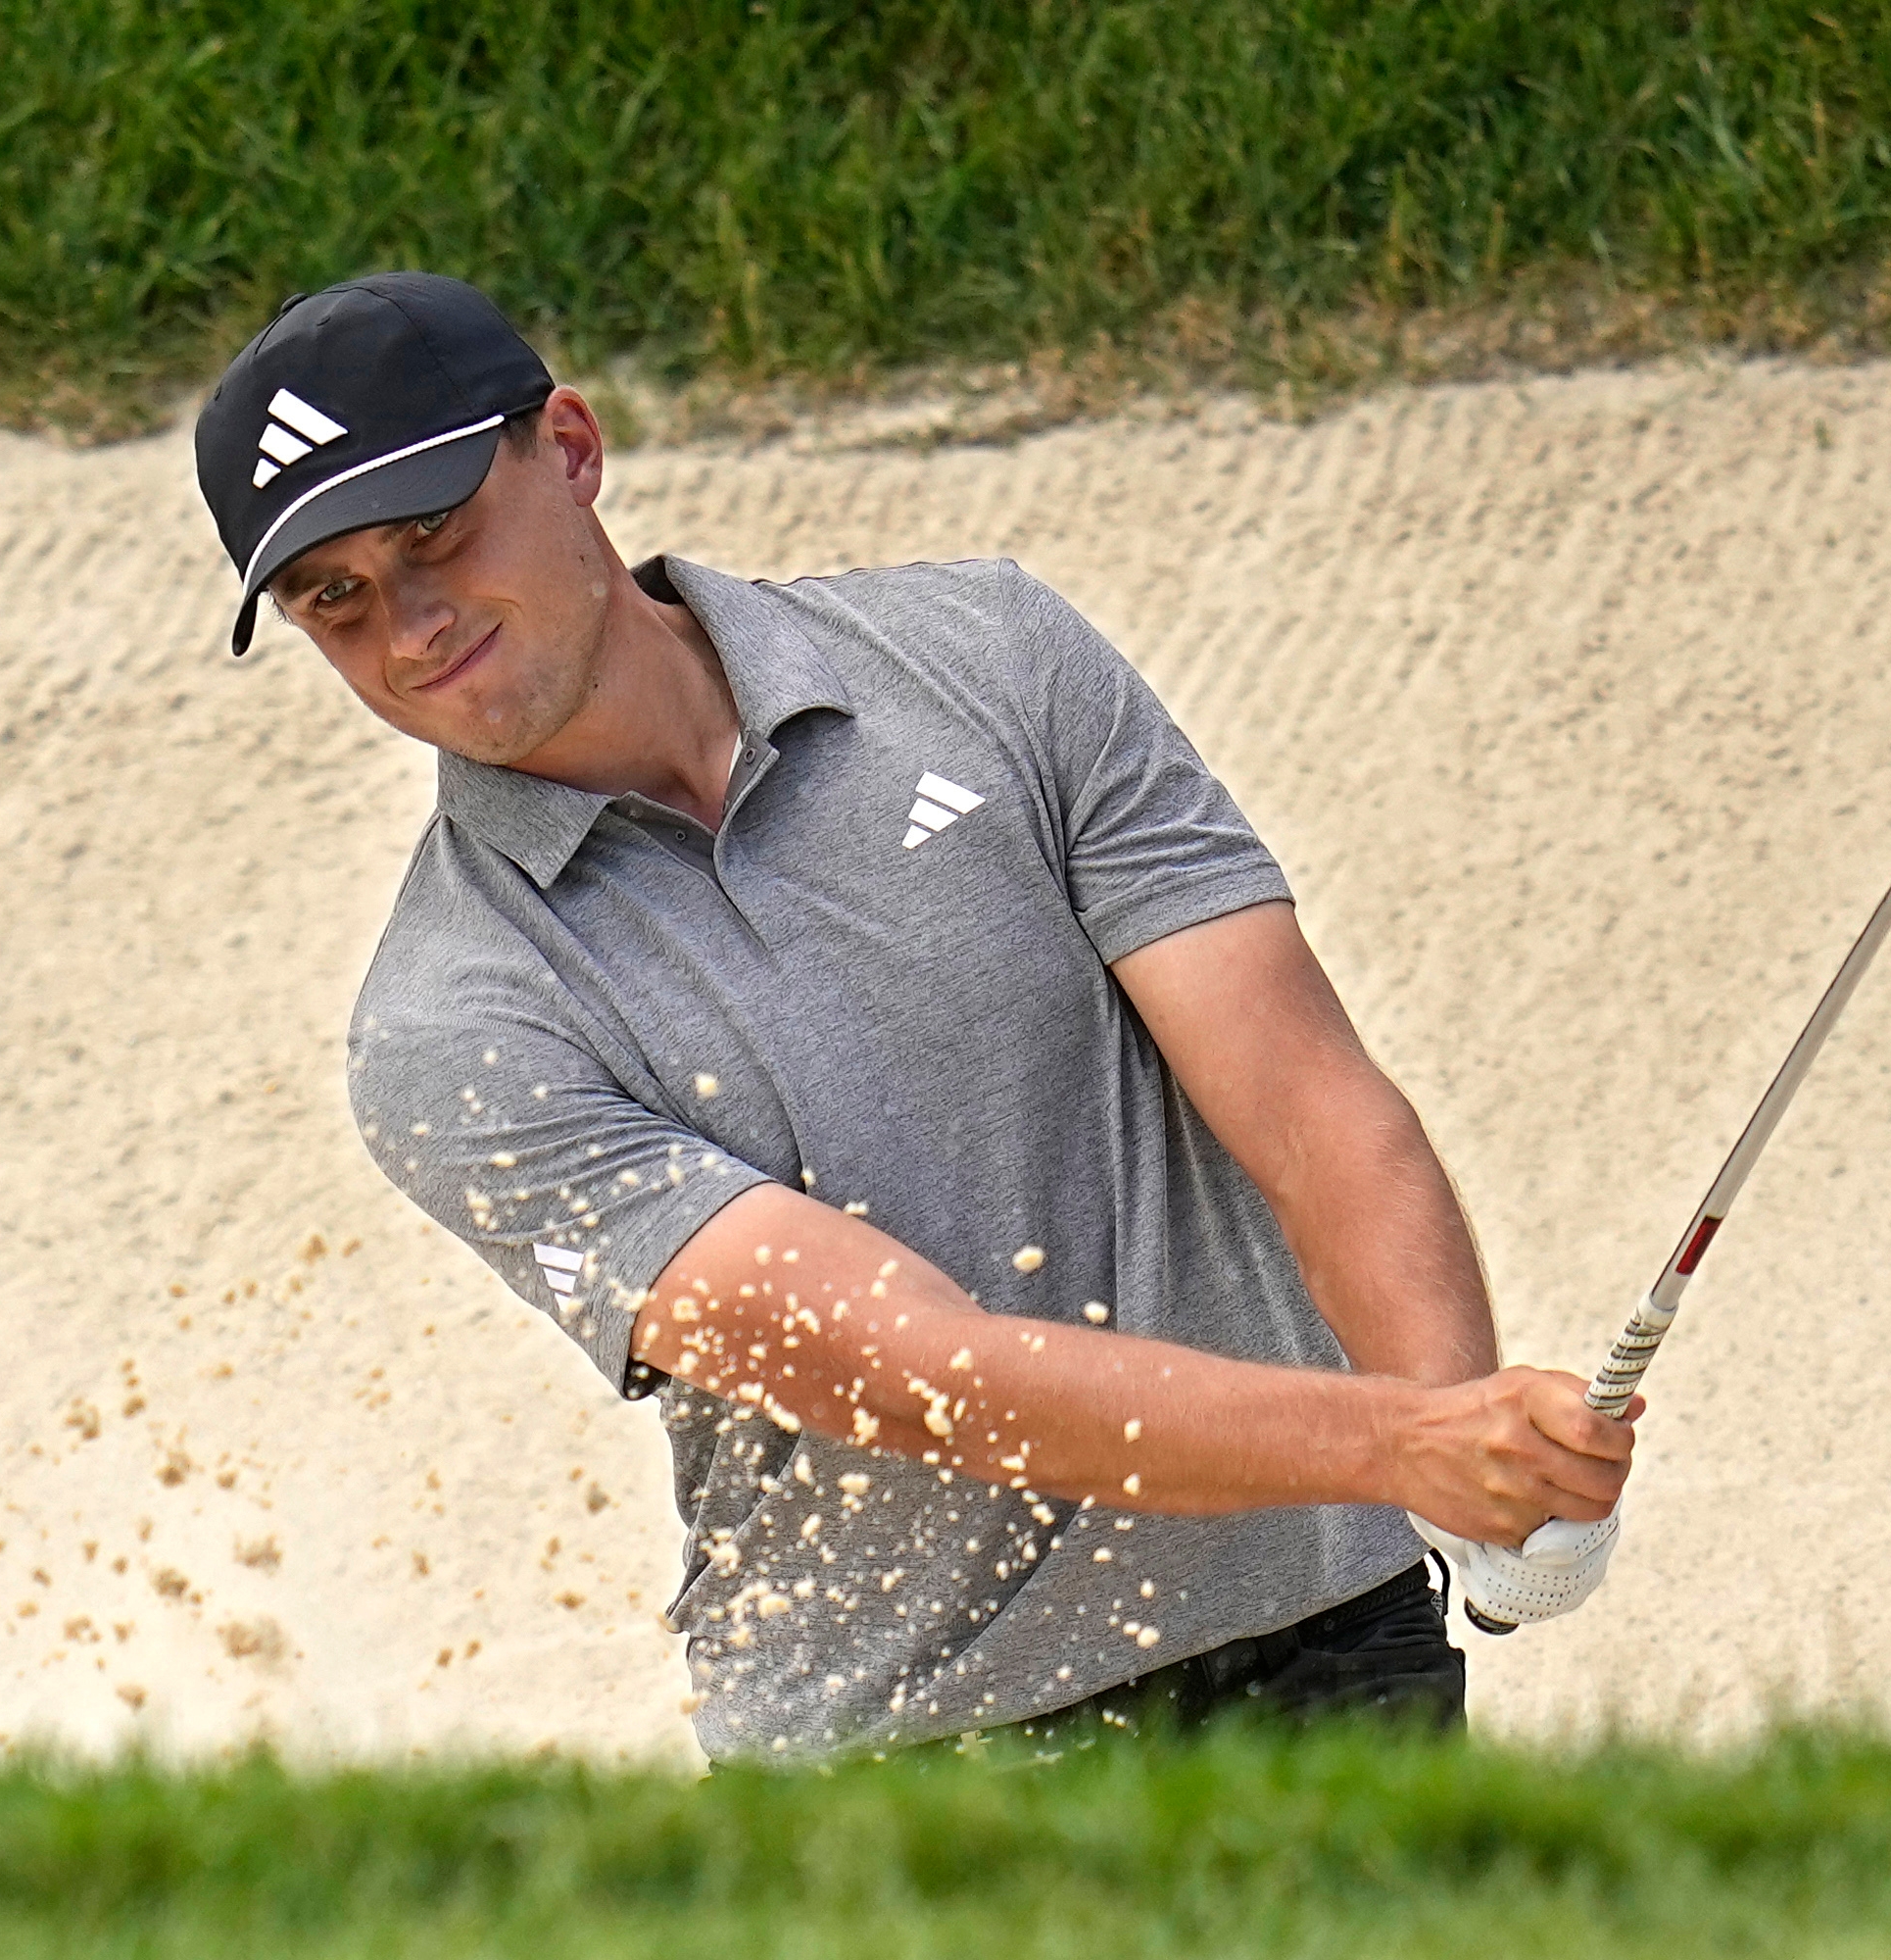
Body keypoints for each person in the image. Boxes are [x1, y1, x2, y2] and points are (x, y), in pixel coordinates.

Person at [191, 271, 1638, 1764]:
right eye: (335, 599)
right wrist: (1403, 1444)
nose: (411, 624)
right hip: (913, 1767)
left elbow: (1310, 1110)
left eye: (434, 531)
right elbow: (921, 1376)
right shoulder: (452, 1027)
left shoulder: (990, 656)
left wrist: (1469, 1435)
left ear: (568, 447)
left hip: (1334, 1647)